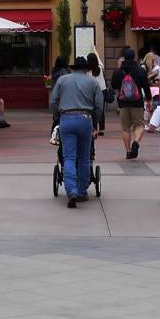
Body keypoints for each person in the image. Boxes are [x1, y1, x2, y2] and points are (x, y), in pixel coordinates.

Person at [48, 55, 103, 208]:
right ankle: (81, 191)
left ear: (73, 68)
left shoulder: (62, 80)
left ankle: (70, 190)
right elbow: (99, 105)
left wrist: (58, 116)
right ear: (86, 69)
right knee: (84, 157)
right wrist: (95, 122)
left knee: (69, 157)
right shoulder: (92, 82)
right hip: (85, 118)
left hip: (67, 117)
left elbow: (53, 102)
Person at [109, 46, 148, 160]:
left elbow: (114, 85)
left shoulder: (118, 71)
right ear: (134, 57)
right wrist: (149, 99)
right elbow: (146, 86)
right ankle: (136, 141)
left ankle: (128, 151)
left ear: (124, 57)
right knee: (139, 125)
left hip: (123, 103)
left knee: (125, 128)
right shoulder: (140, 70)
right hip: (137, 102)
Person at [85, 54, 106, 138]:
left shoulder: (87, 71)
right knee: (101, 109)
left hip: (92, 91)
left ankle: (94, 128)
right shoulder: (100, 68)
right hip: (102, 89)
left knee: (93, 109)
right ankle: (101, 128)